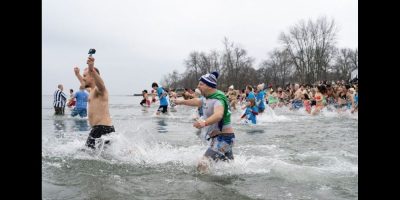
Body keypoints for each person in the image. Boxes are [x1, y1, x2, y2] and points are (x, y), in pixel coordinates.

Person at [173, 71, 235, 173]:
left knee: (202, 165)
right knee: (229, 168)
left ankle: (203, 188)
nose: (198, 86)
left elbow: (218, 115)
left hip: (224, 138)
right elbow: (197, 101)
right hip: (220, 138)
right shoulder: (208, 97)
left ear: (210, 86)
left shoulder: (218, 99)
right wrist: (181, 102)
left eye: (201, 84)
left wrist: (204, 122)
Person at [73, 56, 115, 149]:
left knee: (87, 154)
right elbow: (84, 84)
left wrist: (91, 68)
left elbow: (101, 84)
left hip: (101, 128)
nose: (83, 78)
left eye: (85, 76)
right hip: (101, 128)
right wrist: (77, 74)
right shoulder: (91, 90)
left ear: (92, 77)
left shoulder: (100, 90)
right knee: (104, 156)